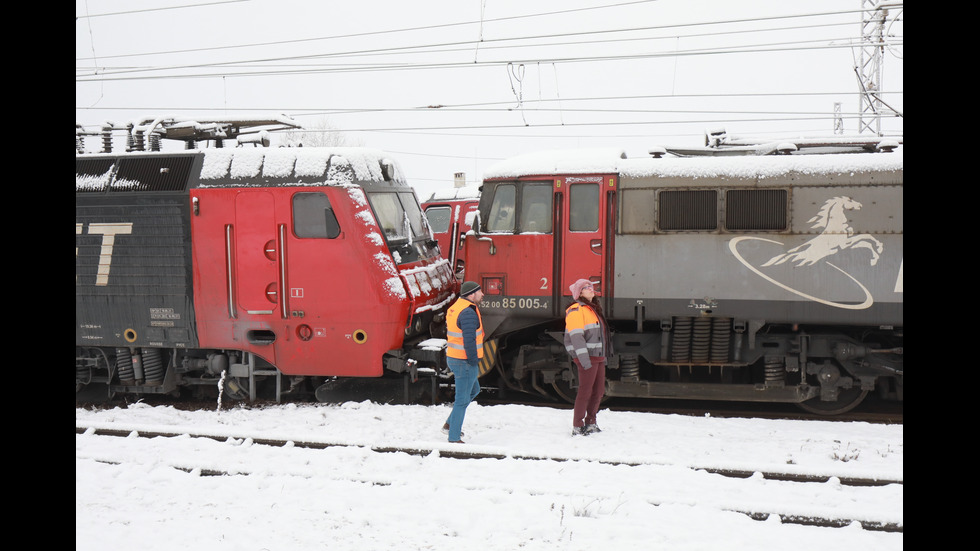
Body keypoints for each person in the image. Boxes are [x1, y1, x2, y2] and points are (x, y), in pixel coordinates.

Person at [564, 279, 611, 436]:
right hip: (587, 358)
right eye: (586, 287)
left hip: (598, 357)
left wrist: (603, 356)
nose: (592, 289)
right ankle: (577, 425)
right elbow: (576, 337)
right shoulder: (576, 310)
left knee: (598, 392)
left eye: (591, 287)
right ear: (579, 293)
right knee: (585, 392)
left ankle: (591, 422)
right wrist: (583, 360)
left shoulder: (593, 310)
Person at [442, 281, 485, 443]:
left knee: (474, 390)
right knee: (462, 399)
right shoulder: (467, 312)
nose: (482, 294)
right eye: (480, 292)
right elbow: (469, 340)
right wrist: (474, 361)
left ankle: (449, 424)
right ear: (471, 294)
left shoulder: (456, 307)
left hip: (454, 357)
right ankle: (453, 437)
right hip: (464, 361)